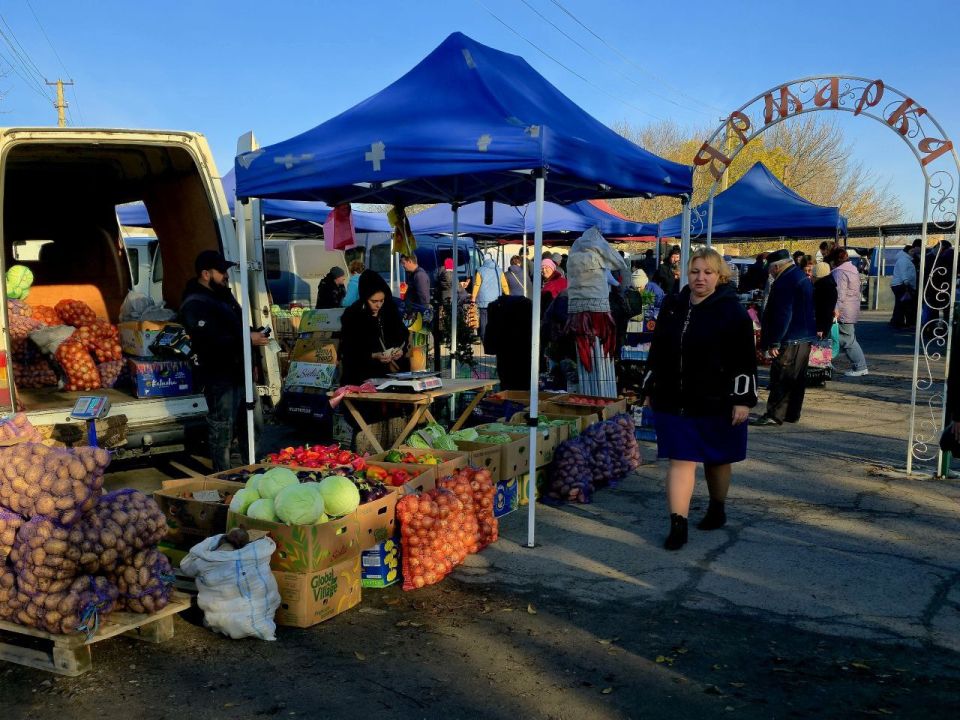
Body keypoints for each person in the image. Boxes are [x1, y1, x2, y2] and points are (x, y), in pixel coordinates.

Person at [642, 248, 757, 550]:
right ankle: (678, 525)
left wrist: (743, 399)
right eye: (695, 271)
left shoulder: (732, 311)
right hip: (675, 398)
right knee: (682, 460)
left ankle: (717, 507)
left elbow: (744, 359)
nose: (700, 278)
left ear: (720, 276)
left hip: (718, 400)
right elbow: (658, 350)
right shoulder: (672, 305)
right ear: (685, 274)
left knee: (717, 459)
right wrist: (650, 387)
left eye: (707, 272)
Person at [180, 250, 271, 472]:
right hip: (220, 376)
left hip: (242, 372)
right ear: (205, 274)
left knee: (253, 425)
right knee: (222, 429)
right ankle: (223, 476)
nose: (226, 275)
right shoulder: (194, 303)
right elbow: (208, 338)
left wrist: (253, 337)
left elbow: (237, 328)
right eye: (221, 271)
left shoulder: (225, 296)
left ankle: (252, 469)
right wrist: (247, 338)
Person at [751, 249, 817, 426]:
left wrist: (775, 341)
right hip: (803, 337)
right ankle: (792, 413)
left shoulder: (786, 281)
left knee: (782, 376)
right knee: (797, 378)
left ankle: (775, 414)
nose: (770, 273)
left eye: (771, 269)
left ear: (777, 267)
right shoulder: (799, 276)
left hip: (790, 337)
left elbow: (783, 314)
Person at [339, 270, 410, 385]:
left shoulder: (390, 310)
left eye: (381, 300)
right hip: (363, 376)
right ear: (364, 297)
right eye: (374, 301)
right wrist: (373, 356)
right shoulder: (352, 315)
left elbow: (403, 336)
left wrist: (400, 349)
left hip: (394, 375)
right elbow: (348, 350)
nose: (378, 305)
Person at [830, 248, 869, 377]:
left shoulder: (840, 272)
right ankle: (826, 361)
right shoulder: (852, 269)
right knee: (843, 338)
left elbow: (839, 294)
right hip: (851, 309)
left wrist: (835, 310)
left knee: (847, 340)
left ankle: (860, 366)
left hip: (843, 311)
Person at [471, 255, 509, 342]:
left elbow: (477, 284)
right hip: (496, 300)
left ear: (483, 260)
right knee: (495, 320)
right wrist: (507, 295)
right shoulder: (499, 270)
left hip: (483, 301)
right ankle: (495, 339)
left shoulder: (480, 270)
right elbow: (504, 285)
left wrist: (473, 297)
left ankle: (485, 340)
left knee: (484, 321)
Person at [890, 243, 918, 329]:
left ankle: (898, 322)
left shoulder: (905, 259)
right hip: (902, 285)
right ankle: (899, 323)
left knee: (901, 304)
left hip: (900, 284)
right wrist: (906, 281)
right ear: (907, 251)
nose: (913, 252)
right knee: (903, 305)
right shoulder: (904, 260)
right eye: (912, 251)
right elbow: (903, 271)